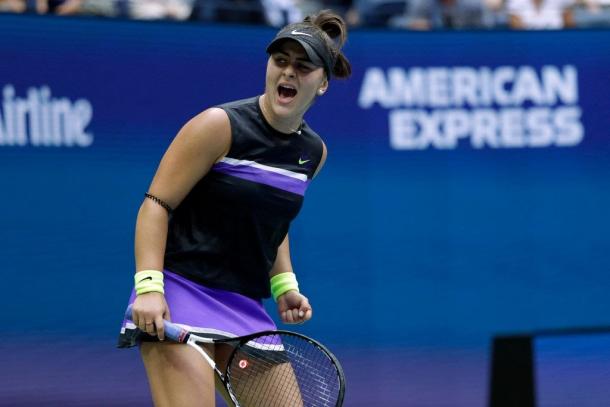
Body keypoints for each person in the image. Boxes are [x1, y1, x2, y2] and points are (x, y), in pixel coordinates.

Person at [117, 9, 351, 406]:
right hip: (180, 294)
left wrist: (285, 287)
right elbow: (156, 204)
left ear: (323, 83)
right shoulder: (219, 125)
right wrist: (149, 289)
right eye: (280, 61)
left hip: (243, 308)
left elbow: (271, 221)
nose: (288, 73)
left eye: (303, 66)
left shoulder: (313, 152)